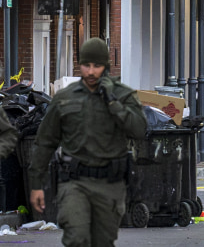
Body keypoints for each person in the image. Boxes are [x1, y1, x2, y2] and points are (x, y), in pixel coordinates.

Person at [28, 37, 147, 246]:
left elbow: (139, 129)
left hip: (110, 183)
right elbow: (45, 141)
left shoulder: (123, 95)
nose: (91, 72)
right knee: (76, 238)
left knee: (103, 241)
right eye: (86, 65)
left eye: (97, 66)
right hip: (74, 182)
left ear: (106, 67)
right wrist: (36, 184)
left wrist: (113, 103)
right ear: (79, 65)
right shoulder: (65, 98)